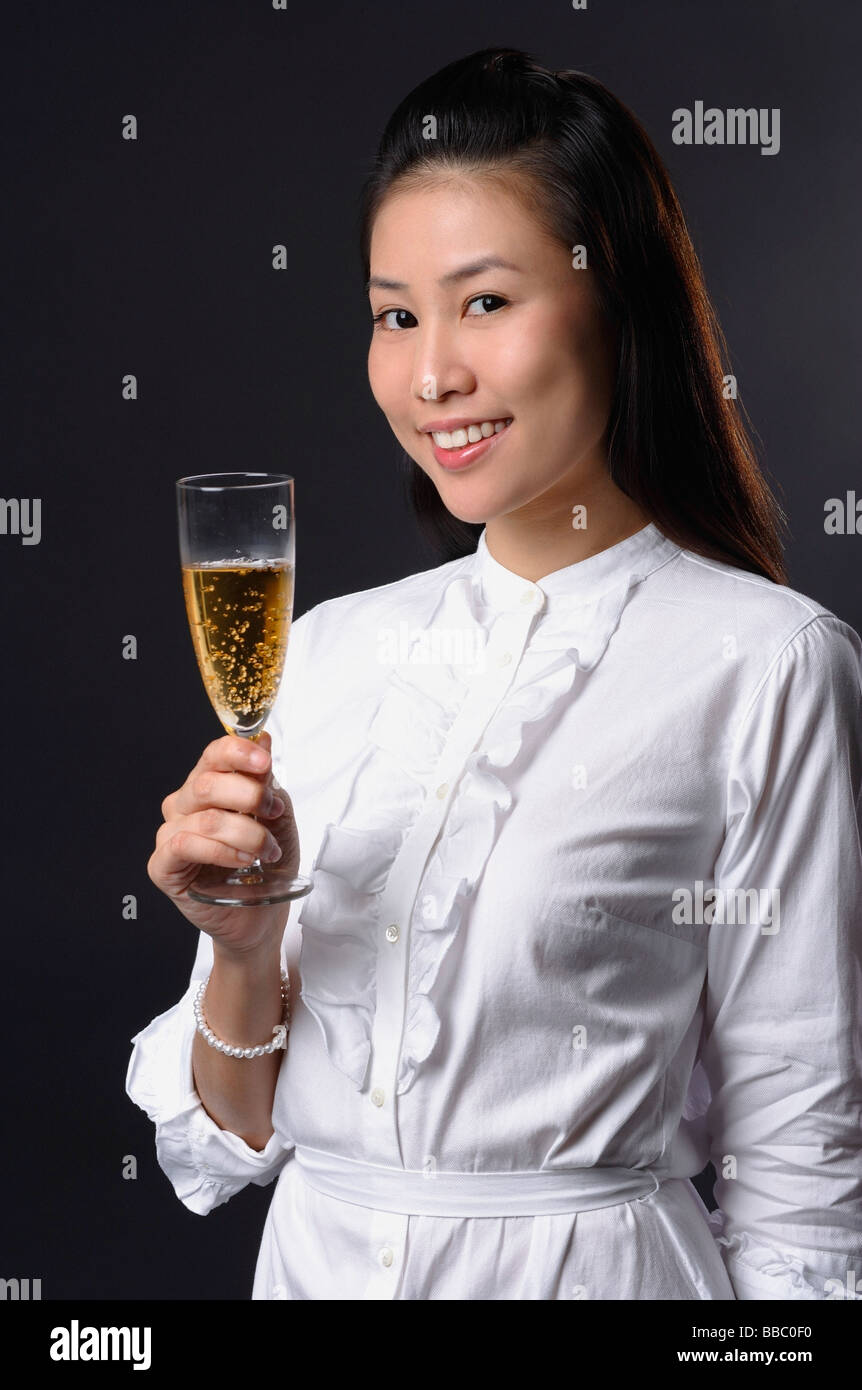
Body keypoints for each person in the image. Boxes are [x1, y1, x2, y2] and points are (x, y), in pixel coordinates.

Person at [126, 47, 862, 1300]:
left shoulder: (769, 664)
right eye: (395, 314)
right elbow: (229, 1137)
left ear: (614, 303)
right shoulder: (332, 651)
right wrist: (242, 948)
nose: (431, 378)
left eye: (485, 303)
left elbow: (803, 1161)